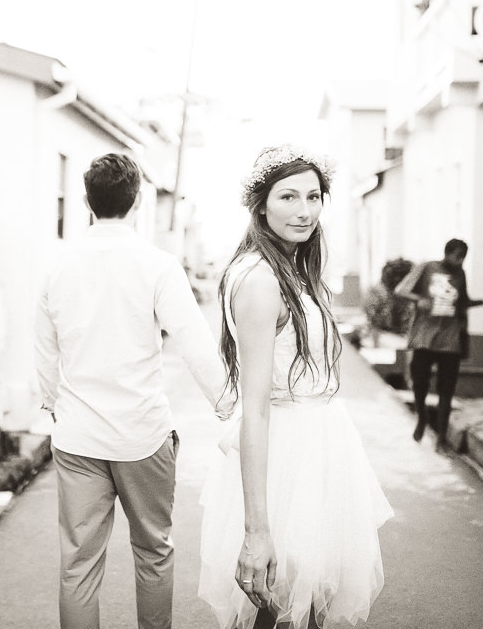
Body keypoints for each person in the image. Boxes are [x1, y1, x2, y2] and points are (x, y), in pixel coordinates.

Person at [36, 153, 233, 629]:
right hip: (143, 435)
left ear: (86, 201)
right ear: (137, 201)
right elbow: (193, 340)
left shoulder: (56, 266)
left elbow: (45, 350)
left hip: (78, 436)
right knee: (154, 552)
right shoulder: (157, 266)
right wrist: (228, 404)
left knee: (78, 564)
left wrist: (51, 405)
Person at [198, 144, 392, 629]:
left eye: (313, 196)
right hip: (288, 463)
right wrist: (257, 530)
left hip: (320, 455)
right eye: (287, 197)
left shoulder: (294, 269)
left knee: (302, 612)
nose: (304, 211)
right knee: (281, 609)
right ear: (261, 204)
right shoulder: (261, 280)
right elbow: (255, 409)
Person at [394, 238, 483, 450]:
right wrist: (419, 300)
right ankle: (422, 418)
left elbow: (462, 303)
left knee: (447, 389)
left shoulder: (460, 275)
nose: (461, 261)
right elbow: (400, 290)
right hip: (425, 338)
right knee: (420, 383)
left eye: (464, 257)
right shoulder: (427, 267)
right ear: (447, 253)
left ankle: (442, 436)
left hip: (450, 340)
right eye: (458, 256)